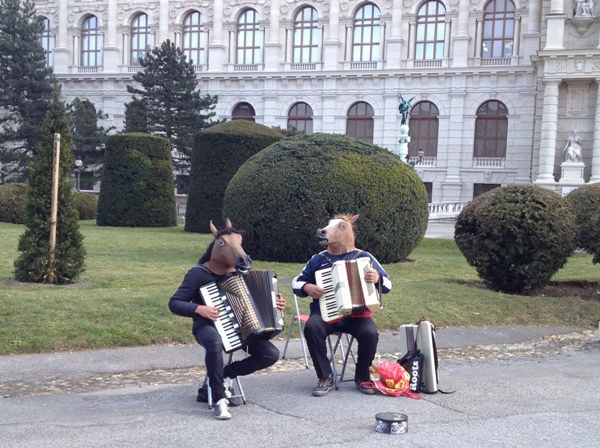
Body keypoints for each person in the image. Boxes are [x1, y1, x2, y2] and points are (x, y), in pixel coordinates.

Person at [168, 220, 286, 420]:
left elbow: (259, 299)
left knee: (270, 354)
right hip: (207, 326)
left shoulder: (241, 274)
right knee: (214, 342)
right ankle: (219, 399)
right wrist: (199, 308)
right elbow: (175, 303)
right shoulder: (199, 274)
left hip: (243, 330)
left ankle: (226, 374)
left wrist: (277, 303)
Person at [292, 214, 392, 397]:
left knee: (370, 333)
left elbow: (388, 285)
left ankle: (362, 377)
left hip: (357, 315)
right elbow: (296, 283)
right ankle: (325, 377)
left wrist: (377, 279)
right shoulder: (318, 259)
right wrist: (307, 286)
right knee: (312, 327)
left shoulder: (365, 257)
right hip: (325, 314)